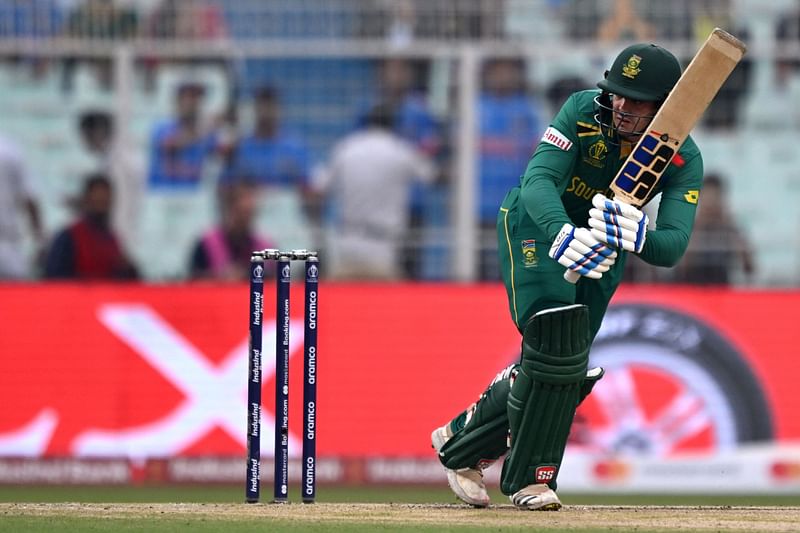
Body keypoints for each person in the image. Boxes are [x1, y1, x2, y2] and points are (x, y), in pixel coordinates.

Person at [431, 43, 703, 510]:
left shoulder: (681, 157)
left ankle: (460, 443)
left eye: (635, 101)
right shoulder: (581, 111)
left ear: (664, 106)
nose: (620, 106)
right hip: (536, 227)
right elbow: (538, 181)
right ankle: (529, 481)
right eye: (616, 93)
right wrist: (560, 234)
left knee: (566, 361)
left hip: (604, 246)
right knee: (554, 332)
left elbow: (673, 245)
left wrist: (638, 235)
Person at [314, 104, 435, 280]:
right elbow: (431, 175)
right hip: (383, 246)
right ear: (394, 125)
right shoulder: (400, 151)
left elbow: (319, 186)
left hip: (346, 242)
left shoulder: (346, 148)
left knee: (340, 302)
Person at [478, 58, 542, 279]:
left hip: (516, 199)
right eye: (497, 71)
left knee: (515, 260)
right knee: (478, 257)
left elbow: (537, 149)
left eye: (508, 71)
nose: (503, 77)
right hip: (478, 199)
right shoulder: (476, 106)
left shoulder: (526, 109)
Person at [44, 173, 138, 280]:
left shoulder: (112, 240)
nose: (101, 203)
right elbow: (54, 277)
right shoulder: (69, 237)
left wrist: (128, 269)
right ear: (87, 199)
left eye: (105, 200)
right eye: (97, 199)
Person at [672, 173, 754, 284]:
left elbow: (749, 268)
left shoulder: (729, 228)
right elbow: (679, 269)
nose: (710, 203)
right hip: (690, 290)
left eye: (715, 198)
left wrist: (731, 231)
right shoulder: (689, 227)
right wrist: (699, 227)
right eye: (707, 197)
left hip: (721, 291)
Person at [189, 181, 274, 281]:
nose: (245, 220)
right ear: (228, 210)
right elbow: (194, 281)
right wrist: (219, 277)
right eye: (241, 213)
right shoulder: (207, 245)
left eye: (249, 213)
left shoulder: (264, 247)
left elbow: (274, 280)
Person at [147, 81, 219, 189]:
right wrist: (202, 131)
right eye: (188, 97)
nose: (193, 103)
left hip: (194, 197)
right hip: (162, 195)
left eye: (197, 98)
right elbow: (170, 144)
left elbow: (223, 151)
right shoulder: (162, 127)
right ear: (178, 100)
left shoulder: (207, 134)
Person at [0, 135, 43, 279]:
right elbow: (29, 199)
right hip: (7, 247)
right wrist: (40, 241)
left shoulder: (9, 152)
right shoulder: (9, 150)